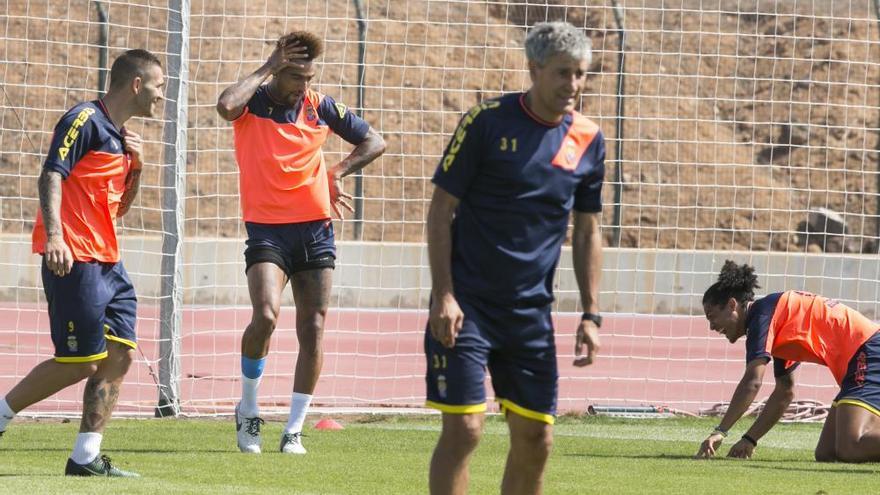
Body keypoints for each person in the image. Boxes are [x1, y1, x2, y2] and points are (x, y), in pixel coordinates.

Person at [425, 22, 604, 494]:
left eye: (581, 74)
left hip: (530, 315)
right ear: (534, 69)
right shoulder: (486, 121)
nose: (573, 85)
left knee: (536, 437)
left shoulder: (588, 138)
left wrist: (591, 313)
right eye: (563, 73)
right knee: (464, 430)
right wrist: (443, 294)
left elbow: (587, 229)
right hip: (467, 306)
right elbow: (441, 209)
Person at [216, 30, 385, 455]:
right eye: (295, 77)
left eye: (309, 76)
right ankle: (249, 410)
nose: (303, 86)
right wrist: (267, 66)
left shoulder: (320, 106)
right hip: (267, 229)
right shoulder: (253, 103)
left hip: (315, 228)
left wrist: (338, 172)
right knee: (267, 316)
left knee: (313, 328)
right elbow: (224, 105)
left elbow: (374, 140)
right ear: (278, 70)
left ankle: (293, 429)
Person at [0, 49, 165, 476]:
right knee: (81, 362)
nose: (161, 96)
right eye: (159, 86)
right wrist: (55, 236)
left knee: (120, 355)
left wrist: (139, 167)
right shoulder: (84, 120)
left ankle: (86, 459)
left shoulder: (122, 139)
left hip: (110, 264)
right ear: (136, 84)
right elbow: (51, 173)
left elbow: (119, 209)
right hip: (74, 258)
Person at [696, 260, 880, 462]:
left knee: (850, 446)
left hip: (868, 351)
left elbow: (752, 382)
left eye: (712, 317)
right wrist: (750, 439)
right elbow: (785, 391)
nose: (712, 327)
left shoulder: (762, 316)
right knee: (826, 453)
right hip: (859, 359)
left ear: (732, 305)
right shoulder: (775, 317)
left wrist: (721, 431)